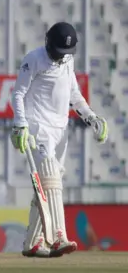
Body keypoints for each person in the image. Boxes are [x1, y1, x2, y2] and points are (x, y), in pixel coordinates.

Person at [11, 22, 108, 258]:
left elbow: (74, 95)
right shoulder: (33, 59)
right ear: (47, 43)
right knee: (52, 182)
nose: (59, 57)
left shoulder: (67, 60)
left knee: (45, 187)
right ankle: (58, 237)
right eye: (57, 52)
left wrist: (91, 117)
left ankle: (32, 243)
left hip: (60, 130)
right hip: (38, 128)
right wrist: (20, 125)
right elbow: (18, 93)